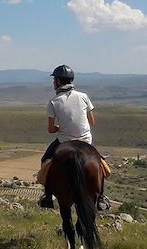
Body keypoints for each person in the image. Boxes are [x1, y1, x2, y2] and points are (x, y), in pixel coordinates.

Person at [38, 65, 110, 211]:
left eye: (54, 80)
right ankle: (101, 196)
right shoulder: (84, 96)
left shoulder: (54, 102)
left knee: (45, 160)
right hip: (85, 141)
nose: (53, 83)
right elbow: (92, 121)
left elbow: (51, 129)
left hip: (64, 142)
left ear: (58, 81)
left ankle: (47, 196)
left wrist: (62, 128)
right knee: (100, 164)